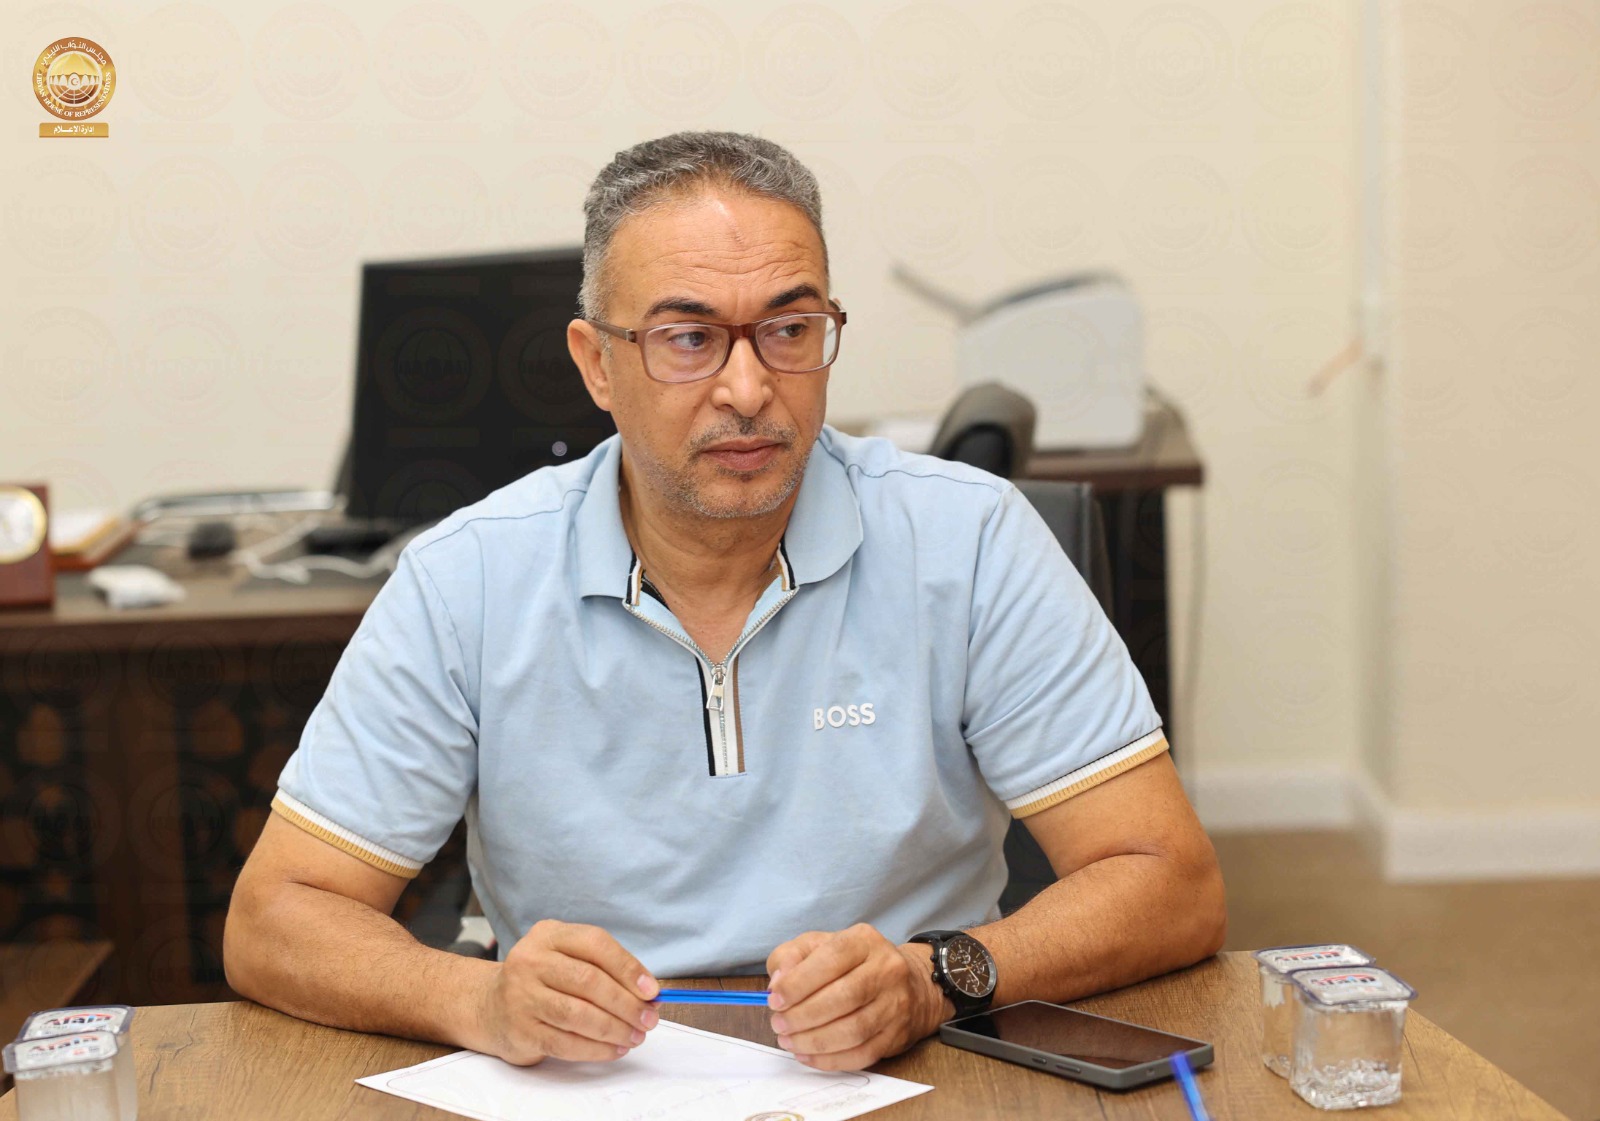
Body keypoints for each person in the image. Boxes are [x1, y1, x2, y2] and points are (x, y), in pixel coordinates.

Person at [225, 131, 1225, 1074]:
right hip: (589, 1078)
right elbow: (276, 916)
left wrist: (934, 979)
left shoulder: (967, 540)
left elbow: (1170, 879)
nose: (748, 389)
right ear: (596, 363)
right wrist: (478, 999)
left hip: (912, 1063)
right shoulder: (469, 577)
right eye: (689, 337)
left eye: (789, 330)